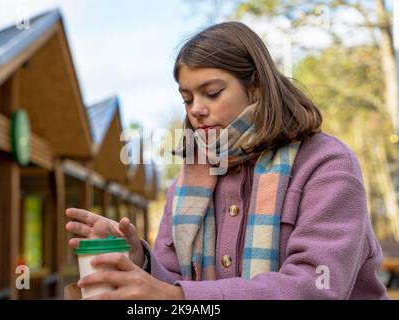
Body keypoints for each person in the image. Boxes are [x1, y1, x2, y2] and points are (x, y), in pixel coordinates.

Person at [65, 21, 388, 300]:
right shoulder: (184, 183)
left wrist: (178, 296)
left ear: (257, 86)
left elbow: (315, 288)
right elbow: (172, 283)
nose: (196, 109)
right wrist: (140, 259)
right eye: (187, 98)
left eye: (213, 92)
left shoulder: (326, 164)